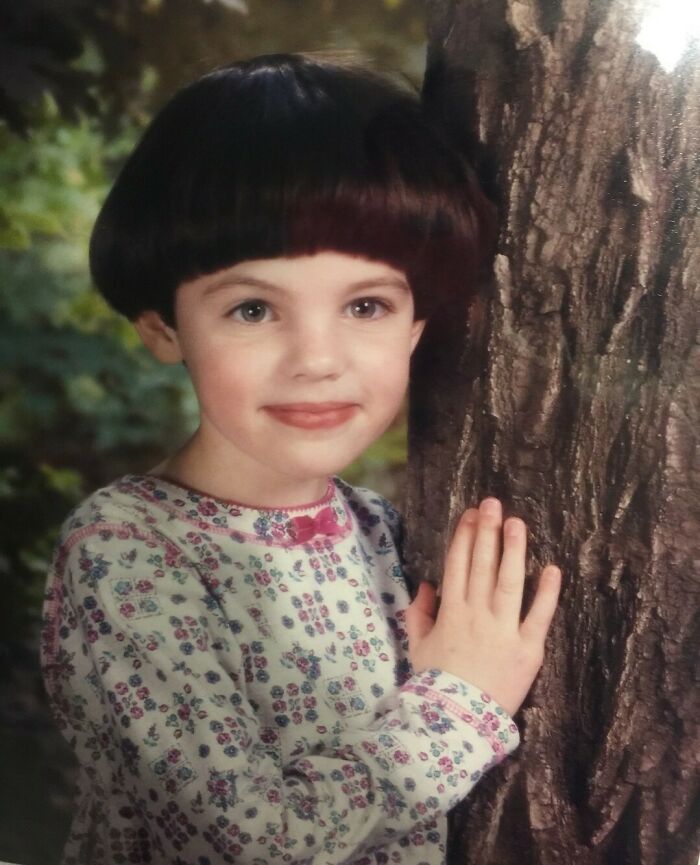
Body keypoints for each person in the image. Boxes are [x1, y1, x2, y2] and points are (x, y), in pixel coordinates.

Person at [40, 52, 562, 865]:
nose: (317, 359)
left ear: (415, 327)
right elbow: (255, 840)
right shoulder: (127, 554)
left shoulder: (376, 526)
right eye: (253, 308)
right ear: (164, 329)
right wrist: (460, 701)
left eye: (366, 305)